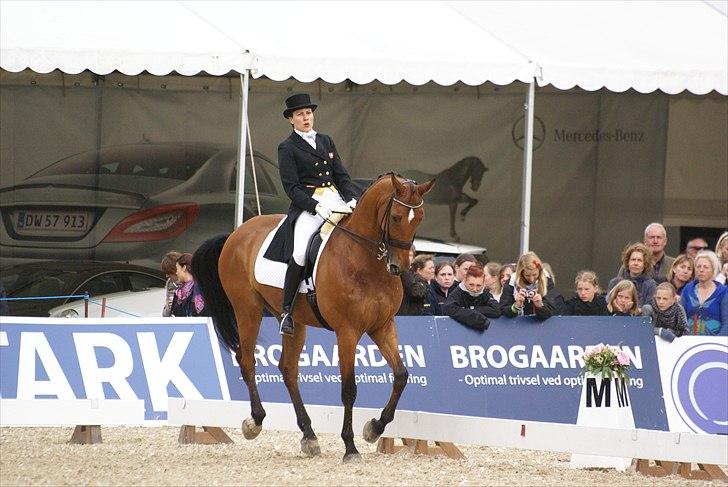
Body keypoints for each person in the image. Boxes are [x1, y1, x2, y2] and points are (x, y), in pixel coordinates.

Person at [272, 93, 358, 336]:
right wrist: (314, 206)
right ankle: (287, 311)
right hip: (309, 204)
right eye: (300, 114)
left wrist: (351, 198)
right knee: (300, 252)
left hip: (335, 199)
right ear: (291, 119)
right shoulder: (287, 147)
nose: (305, 117)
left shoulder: (326, 141)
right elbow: (291, 187)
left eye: (308, 113)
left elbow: (341, 175)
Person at [500, 251, 565, 320]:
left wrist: (540, 306)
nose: (531, 279)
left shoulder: (546, 280)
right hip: (517, 325)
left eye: (535, 275)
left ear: (539, 271)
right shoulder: (512, 282)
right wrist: (516, 306)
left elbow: (551, 312)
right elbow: (502, 310)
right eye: (527, 275)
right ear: (521, 273)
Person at [681, 251, 728, 336]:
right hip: (688, 344)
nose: (701, 270)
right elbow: (679, 319)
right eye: (698, 267)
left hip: (714, 344)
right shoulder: (687, 290)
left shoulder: (723, 292)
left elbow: (727, 324)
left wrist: (716, 343)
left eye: (706, 267)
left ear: (713, 269)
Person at [442, 264, 500, 331]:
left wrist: (473, 310)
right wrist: (473, 315)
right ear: (465, 280)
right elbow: (448, 308)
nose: (475, 289)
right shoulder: (457, 292)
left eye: (478, 285)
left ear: (483, 283)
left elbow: (496, 310)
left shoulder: (484, 293)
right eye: (471, 285)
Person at [607, 242, 657, 307]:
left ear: (645, 264)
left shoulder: (650, 285)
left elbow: (649, 309)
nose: (635, 263)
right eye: (633, 260)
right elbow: (608, 304)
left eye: (639, 260)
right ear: (628, 262)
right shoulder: (614, 283)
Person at [169, 253, 207, 317]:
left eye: (177, 269)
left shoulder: (202, 289)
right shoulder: (179, 293)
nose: (176, 272)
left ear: (184, 267)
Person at [160, 250, 182, 317]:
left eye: (169, 272)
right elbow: (167, 312)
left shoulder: (196, 284)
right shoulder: (171, 283)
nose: (167, 276)